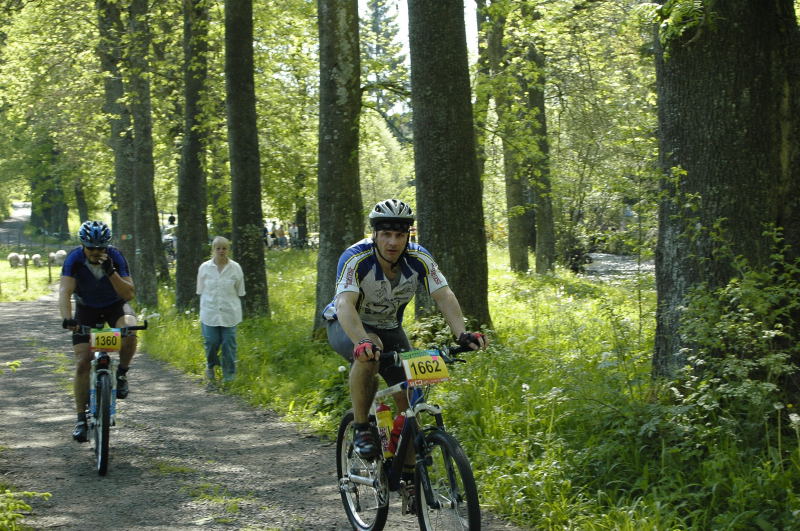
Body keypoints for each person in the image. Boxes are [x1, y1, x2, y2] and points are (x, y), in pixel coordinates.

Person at [323, 199, 487, 464]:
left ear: (408, 235)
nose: (393, 242)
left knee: (410, 398)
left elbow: (444, 295)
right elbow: (344, 304)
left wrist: (462, 334)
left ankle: (410, 477)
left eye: (400, 235)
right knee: (370, 355)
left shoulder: (419, 257)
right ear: (374, 234)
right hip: (347, 324)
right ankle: (362, 428)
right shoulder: (356, 258)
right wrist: (362, 340)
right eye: (386, 234)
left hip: (390, 327)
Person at [59, 220, 138, 443]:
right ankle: (80, 419)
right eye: (91, 247)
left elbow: (129, 294)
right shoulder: (74, 259)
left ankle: (121, 373)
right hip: (86, 309)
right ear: (83, 245)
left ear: (107, 246)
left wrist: (110, 272)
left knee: (130, 329)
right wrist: (68, 318)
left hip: (115, 306)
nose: (96, 252)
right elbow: (65, 292)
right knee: (83, 361)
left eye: (101, 247)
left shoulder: (116, 257)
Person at [196, 236, 246, 385]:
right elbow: (200, 290)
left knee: (228, 344)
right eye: (218, 248)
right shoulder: (204, 268)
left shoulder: (236, 268)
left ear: (228, 250)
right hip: (209, 312)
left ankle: (229, 376)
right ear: (213, 250)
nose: (221, 251)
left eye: (224, 248)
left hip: (230, 313)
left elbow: (240, 291)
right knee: (211, 342)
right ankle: (210, 366)